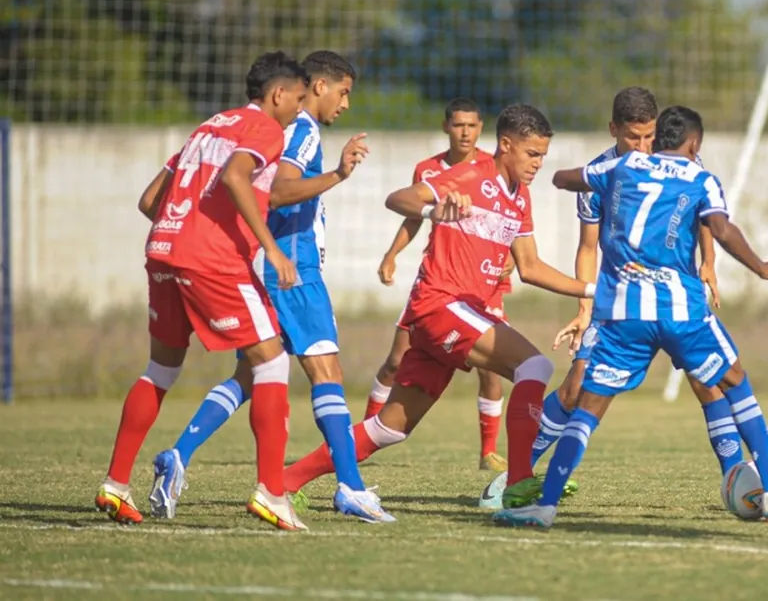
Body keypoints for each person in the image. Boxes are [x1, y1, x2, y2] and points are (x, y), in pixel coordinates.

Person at [493, 105, 768, 529]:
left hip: (625, 312)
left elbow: (562, 178)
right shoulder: (702, 178)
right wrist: (762, 268)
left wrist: (588, 180)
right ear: (693, 145)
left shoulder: (620, 166)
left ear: (656, 138)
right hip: (681, 309)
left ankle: (545, 505)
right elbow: (722, 228)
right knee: (735, 384)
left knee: (588, 407)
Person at [280, 104, 592, 509]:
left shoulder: (520, 198)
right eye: (532, 154)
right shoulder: (469, 175)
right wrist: (434, 209)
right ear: (505, 144)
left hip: (460, 313)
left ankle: (284, 481)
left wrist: (590, 290)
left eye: (543, 157)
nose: (538, 164)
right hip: (441, 305)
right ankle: (518, 481)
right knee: (535, 366)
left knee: (390, 428)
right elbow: (399, 199)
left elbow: (530, 268)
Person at [145, 51, 394, 524]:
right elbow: (280, 189)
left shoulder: (285, 129)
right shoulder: (303, 131)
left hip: (272, 268)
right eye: (343, 93)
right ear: (318, 87)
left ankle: (178, 454)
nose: (345, 105)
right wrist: (338, 175)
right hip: (294, 268)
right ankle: (351, 488)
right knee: (327, 372)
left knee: (250, 376)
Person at [95, 51, 309, 530]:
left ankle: (115, 483)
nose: (299, 108)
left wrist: (182, 232)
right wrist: (270, 249)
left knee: (160, 369)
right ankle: (273, 492)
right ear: (277, 94)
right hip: (210, 259)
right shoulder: (266, 130)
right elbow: (236, 176)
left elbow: (150, 200)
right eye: (297, 99)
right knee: (271, 360)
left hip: (163, 249)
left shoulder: (207, 127)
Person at [528, 87, 748, 488]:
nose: (644, 146)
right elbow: (587, 246)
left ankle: (737, 479)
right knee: (576, 387)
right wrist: (583, 308)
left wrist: (710, 263)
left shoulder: (678, 161)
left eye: (649, 136)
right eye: (634, 137)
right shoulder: (599, 175)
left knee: (708, 384)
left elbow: (705, 216)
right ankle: (518, 472)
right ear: (614, 130)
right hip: (619, 303)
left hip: (675, 296)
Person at [371, 98, 510, 473]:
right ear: (447, 127)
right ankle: (367, 431)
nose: (465, 132)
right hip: (438, 280)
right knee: (397, 360)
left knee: (492, 367)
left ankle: (488, 453)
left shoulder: (490, 166)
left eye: (472, 125)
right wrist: (392, 253)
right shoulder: (428, 170)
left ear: (482, 128)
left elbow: (510, 220)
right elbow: (414, 215)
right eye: (458, 125)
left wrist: (507, 261)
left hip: (484, 282)